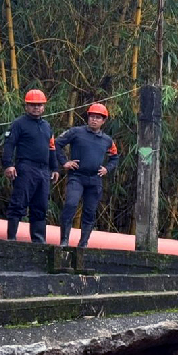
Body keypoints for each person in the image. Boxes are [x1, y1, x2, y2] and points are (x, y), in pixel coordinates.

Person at [55, 103, 120, 247]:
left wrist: (107, 169)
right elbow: (56, 144)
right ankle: (64, 241)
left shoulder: (107, 140)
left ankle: (83, 243)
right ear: (88, 117)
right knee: (70, 205)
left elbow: (115, 157)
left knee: (90, 212)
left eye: (98, 118)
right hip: (76, 176)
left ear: (103, 121)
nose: (94, 120)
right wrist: (64, 162)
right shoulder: (76, 132)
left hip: (95, 180)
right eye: (92, 117)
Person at [2, 89, 60, 243]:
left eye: (39, 105)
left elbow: (52, 148)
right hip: (25, 167)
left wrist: (54, 168)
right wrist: (8, 165)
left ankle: (38, 241)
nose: (36, 108)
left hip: (43, 170)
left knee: (40, 206)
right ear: (26, 106)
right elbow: (9, 144)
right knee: (18, 203)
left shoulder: (47, 126)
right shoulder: (18, 123)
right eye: (33, 105)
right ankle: (11, 238)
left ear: (44, 106)